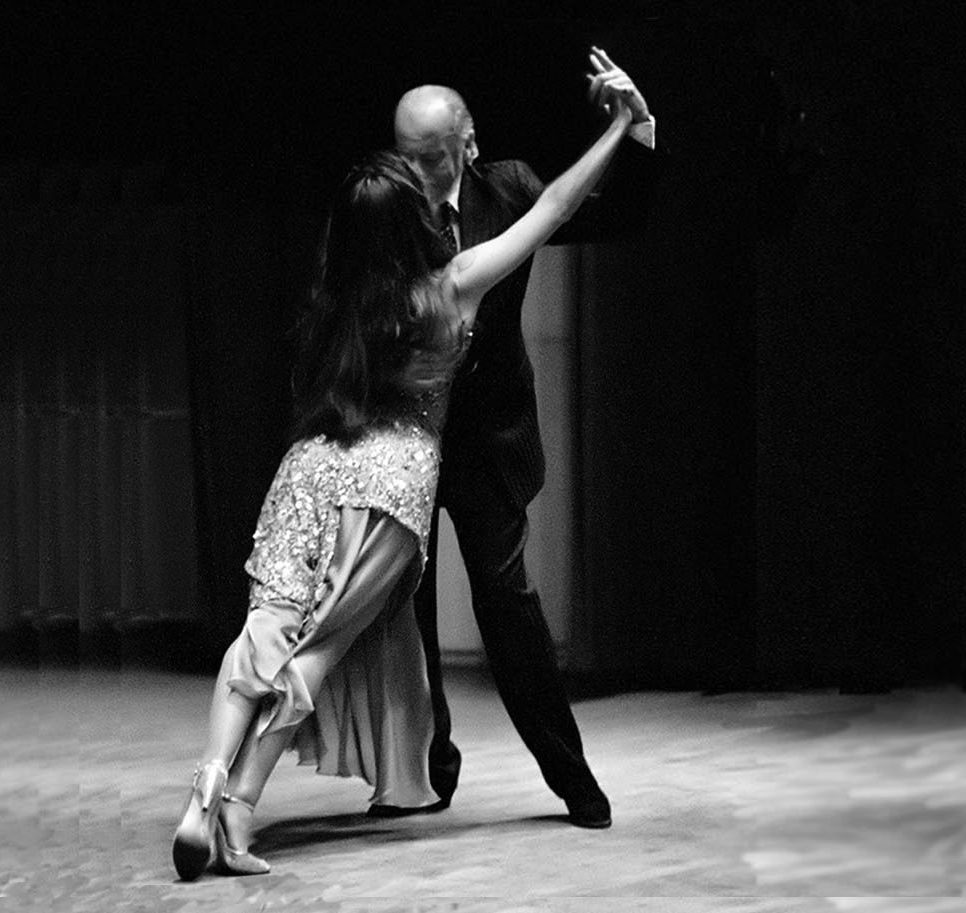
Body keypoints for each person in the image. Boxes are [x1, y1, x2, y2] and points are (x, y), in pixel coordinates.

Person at [170, 84, 639, 881]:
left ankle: (205, 787)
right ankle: (241, 806)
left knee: (265, 633)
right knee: (315, 650)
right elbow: (556, 208)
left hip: (312, 471)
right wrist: (622, 123)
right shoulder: (450, 287)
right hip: (390, 486)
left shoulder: (341, 295)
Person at [385, 48, 660, 828]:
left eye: (433, 157)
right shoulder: (382, 206)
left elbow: (604, 212)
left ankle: (572, 777)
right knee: (403, 611)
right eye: (407, 156)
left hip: (487, 440)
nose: (417, 173)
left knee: (509, 608)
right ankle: (428, 769)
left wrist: (636, 129)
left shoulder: (506, 188)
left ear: (468, 143)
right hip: (402, 437)